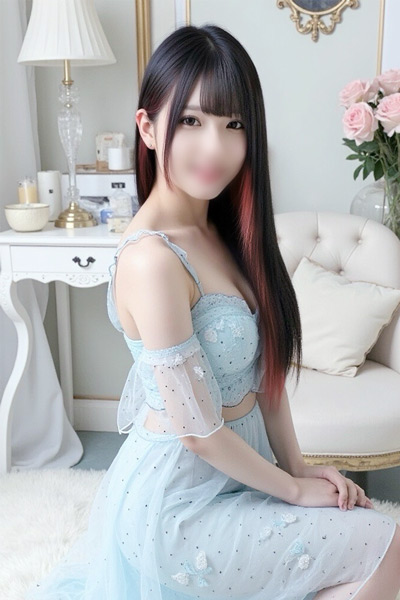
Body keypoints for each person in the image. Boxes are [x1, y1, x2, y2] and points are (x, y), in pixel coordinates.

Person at [26, 24, 400, 600]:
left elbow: (266, 380)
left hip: (243, 476)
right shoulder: (152, 259)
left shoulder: (229, 234)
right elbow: (198, 431)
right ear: (148, 128)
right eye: (192, 121)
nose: (215, 148)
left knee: (365, 552)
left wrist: (299, 470)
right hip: (178, 508)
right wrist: (293, 491)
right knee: (386, 544)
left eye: (234, 125)